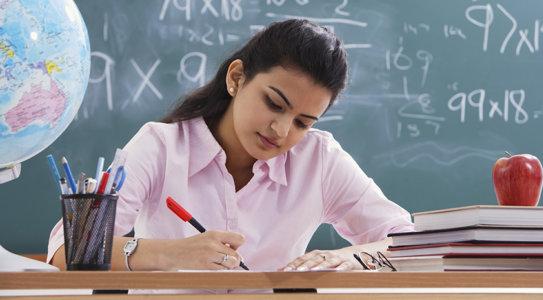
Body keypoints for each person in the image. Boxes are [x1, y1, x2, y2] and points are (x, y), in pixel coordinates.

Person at [48, 19, 413, 277]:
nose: (281, 130)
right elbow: (66, 251)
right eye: (274, 103)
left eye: (303, 122)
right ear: (236, 78)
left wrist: (354, 257)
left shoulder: (320, 160)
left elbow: (409, 242)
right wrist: (173, 253)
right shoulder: (160, 146)